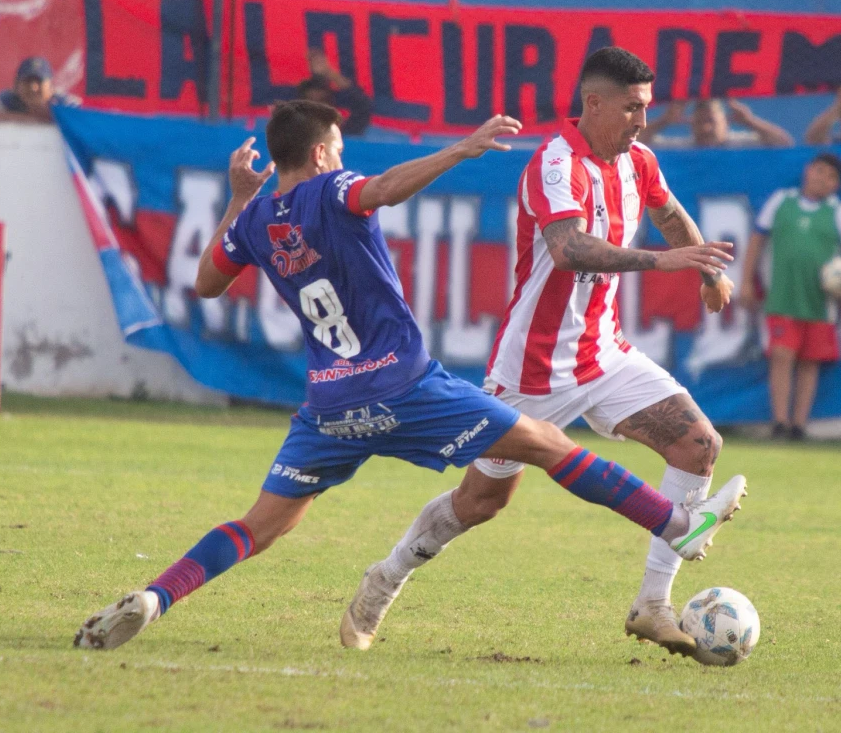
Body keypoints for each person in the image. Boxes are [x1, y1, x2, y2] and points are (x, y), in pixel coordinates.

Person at [74, 100, 748, 652]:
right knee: (549, 446)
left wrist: (238, 201)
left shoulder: (255, 220)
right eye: (337, 146)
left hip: (328, 407)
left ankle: (156, 597)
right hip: (402, 386)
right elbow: (384, 188)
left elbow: (206, 282)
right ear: (318, 154)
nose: (341, 156)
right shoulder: (332, 188)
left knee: (260, 526)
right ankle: (674, 524)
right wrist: (461, 148)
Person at [354, 46, 739, 660]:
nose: (642, 120)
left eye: (647, 107)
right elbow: (568, 248)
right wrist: (664, 262)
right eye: (632, 108)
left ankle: (653, 605)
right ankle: (387, 575)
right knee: (481, 503)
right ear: (593, 103)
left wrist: (706, 270)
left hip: (605, 355)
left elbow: (668, 212)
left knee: (699, 445)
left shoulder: (639, 160)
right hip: (531, 370)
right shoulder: (555, 165)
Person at [739, 153, 841, 440]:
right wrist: (747, 281)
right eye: (820, 171)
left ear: (836, 185)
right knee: (782, 355)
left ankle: (799, 424)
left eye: (831, 177)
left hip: (819, 301)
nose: (822, 179)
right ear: (807, 171)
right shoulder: (782, 201)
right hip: (783, 295)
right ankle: (779, 421)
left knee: (810, 361)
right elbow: (757, 239)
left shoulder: (837, 211)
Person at [639, 98, 794, 148]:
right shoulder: (682, 146)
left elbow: (783, 143)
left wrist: (750, 122)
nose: (706, 128)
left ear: (725, 121)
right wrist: (663, 121)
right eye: (700, 122)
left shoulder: (741, 144)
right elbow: (635, 144)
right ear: (691, 123)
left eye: (711, 121)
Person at [296, 47, 374, 137]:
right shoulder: (293, 136)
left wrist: (329, 72)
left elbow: (363, 105)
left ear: (331, 105)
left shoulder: (344, 134)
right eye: (311, 104)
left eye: (322, 101)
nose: (317, 108)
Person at [0, 57, 79, 123]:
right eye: (27, 81)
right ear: (16, 86)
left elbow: (82, 121)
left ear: (51, 86)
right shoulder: (8, 98)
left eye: (39, 82)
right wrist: (27, 119)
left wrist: (53, 116)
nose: (33, 88)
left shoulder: (63, 101)